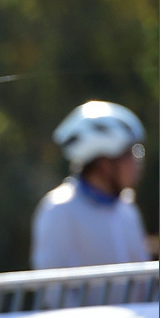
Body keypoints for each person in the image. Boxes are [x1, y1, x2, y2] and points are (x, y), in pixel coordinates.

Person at [31, 102, 151, 269]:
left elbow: (143, 279)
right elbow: (52, 282)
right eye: (129, 154)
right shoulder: (58, 210)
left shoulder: (127, 209)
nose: (137, 162)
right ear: (105, 164)